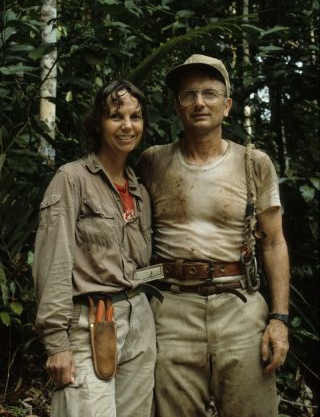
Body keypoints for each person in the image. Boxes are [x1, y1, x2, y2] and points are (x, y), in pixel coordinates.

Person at [137, 54, 290, 417]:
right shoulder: (152, 161)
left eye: (209, 93)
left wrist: (280, 320)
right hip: (171, 308)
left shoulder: (253, 163)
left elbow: (274, 242)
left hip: (239, 306)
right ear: (177, 106)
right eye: (188, 95)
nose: (199, 102)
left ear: (227, 104)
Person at [32, 80, 158, 417]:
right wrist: (57, 343)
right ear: (99, 124)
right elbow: (53, 261)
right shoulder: (71, 179)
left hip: (139, 318)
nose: (128, 126)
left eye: (136, 116)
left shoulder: (140, 189)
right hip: (90, 321)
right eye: (116, 116)